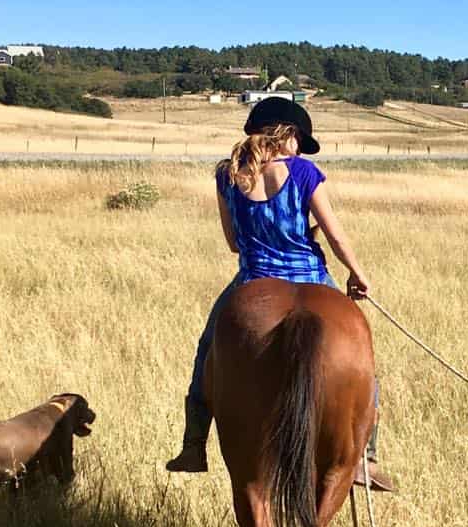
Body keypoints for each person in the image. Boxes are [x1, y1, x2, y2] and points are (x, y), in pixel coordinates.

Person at [166, 97, 394, 491]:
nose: (300, 149)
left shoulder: (228, 175)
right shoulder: (305, 172)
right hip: (311, 276)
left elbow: (235, 244)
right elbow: (335, 233)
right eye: (299, 140)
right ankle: (364, 458)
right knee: (365, 366)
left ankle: (194, 443)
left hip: (252, 280)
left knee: (207, 352)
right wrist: (357, 274)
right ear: (286, 134)